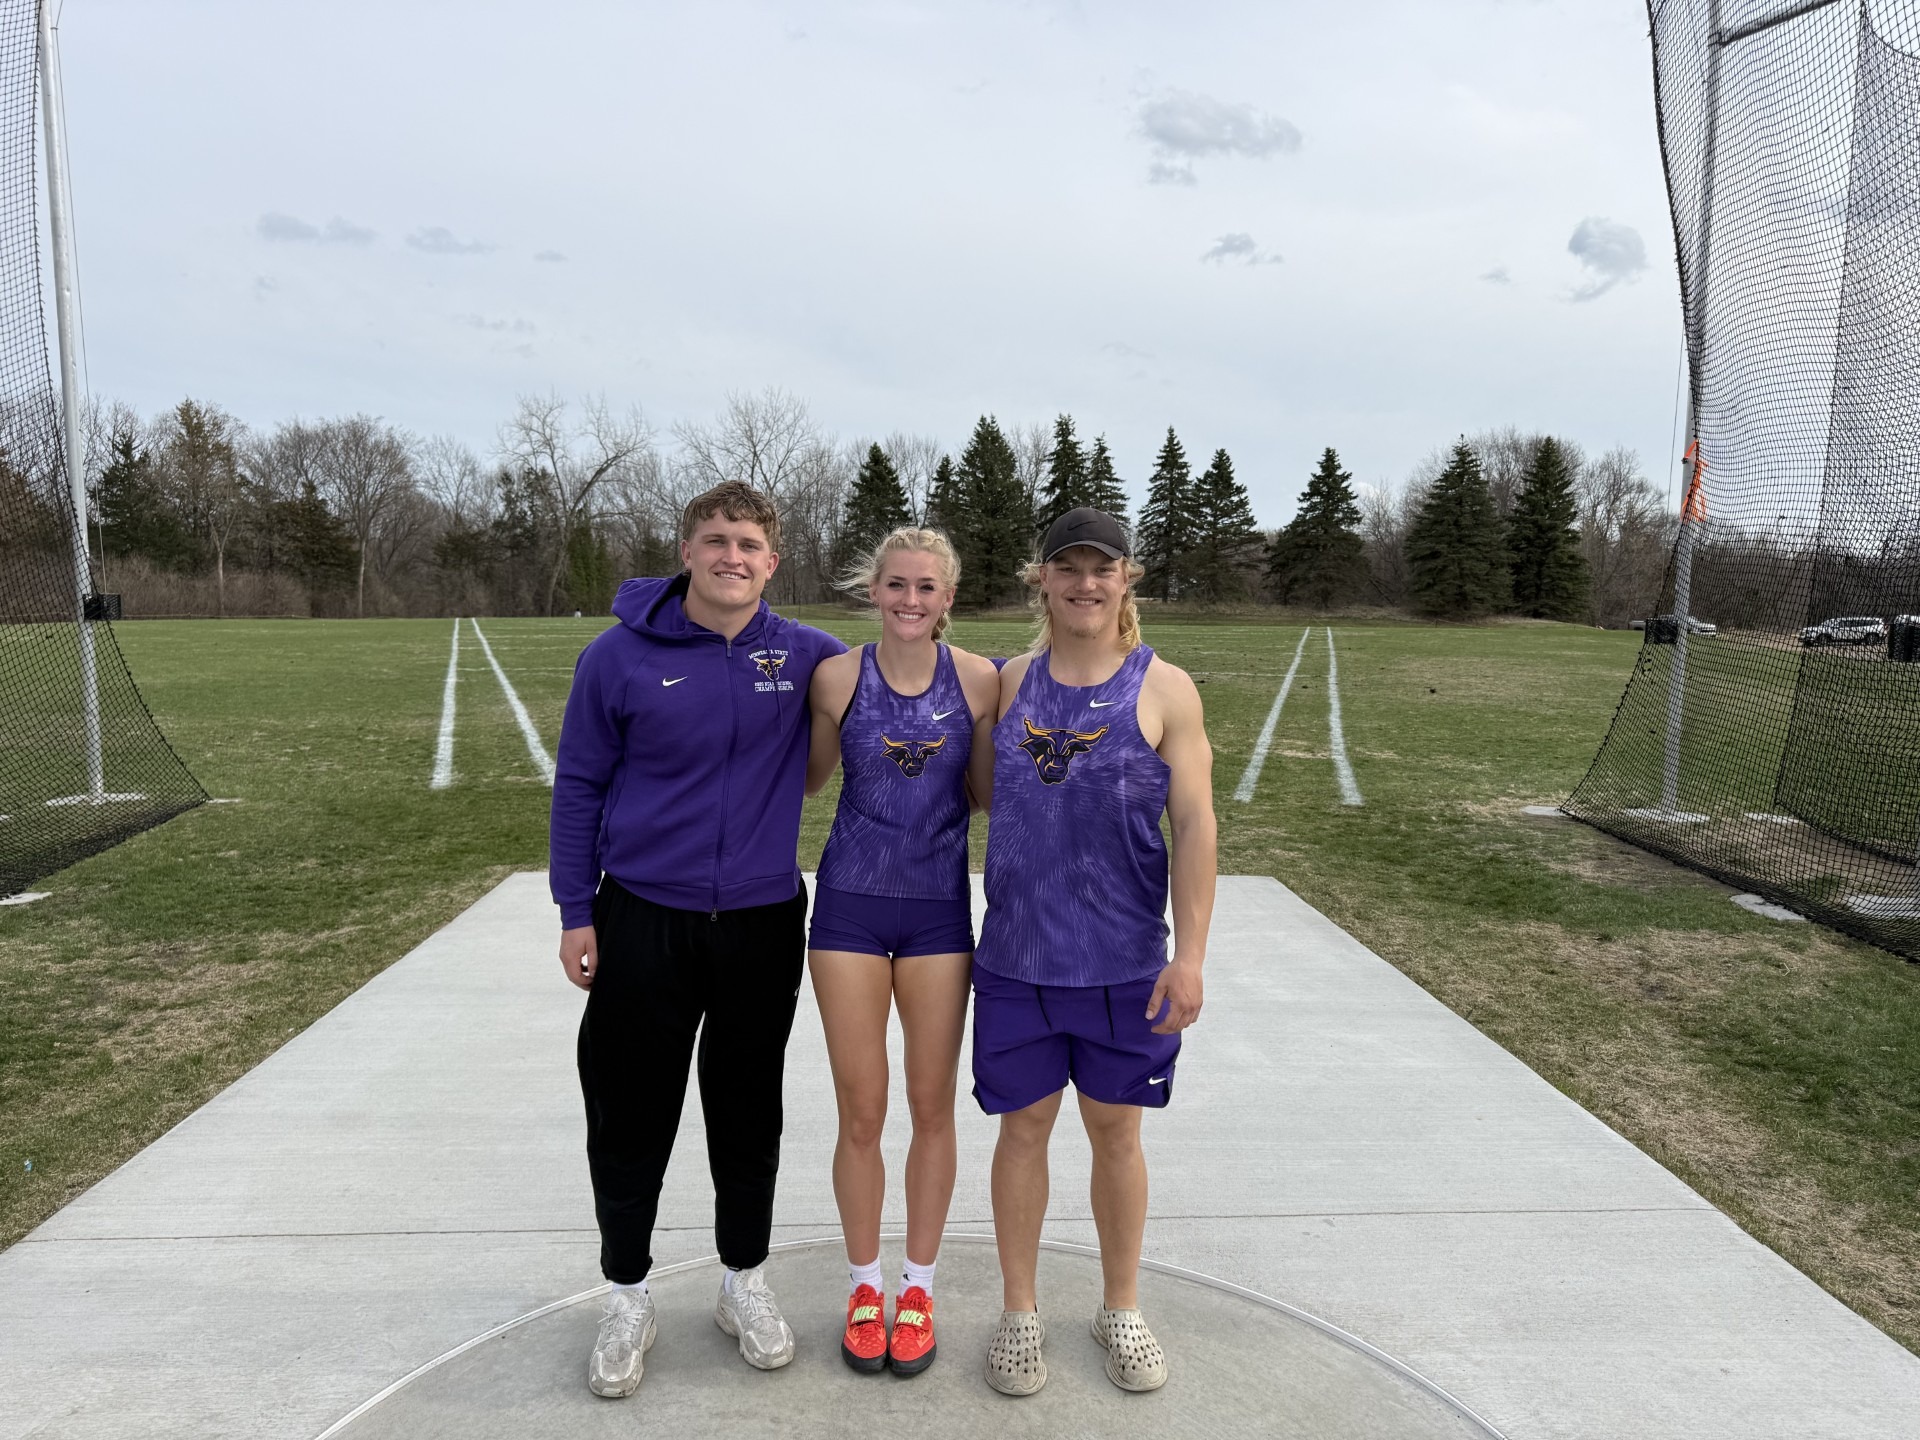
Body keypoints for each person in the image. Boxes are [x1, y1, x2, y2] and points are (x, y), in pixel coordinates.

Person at [549, 480, 847, 1399]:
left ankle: (742, 1279)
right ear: (686, 551)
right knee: (630, 1108)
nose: (732, 557)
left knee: (748, 1108)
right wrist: (574, 910)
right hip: (644, 913)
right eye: (716, 540)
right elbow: (578, 785)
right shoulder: (618, 656)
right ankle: (627, 1293)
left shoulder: (807, 654)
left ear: (773, 561)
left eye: (749, 544)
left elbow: (918, 671)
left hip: (761, 918)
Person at [970, 507, 1216, 1398]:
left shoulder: (1166, 690)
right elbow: (981, 793)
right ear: (1041, 579)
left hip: (1124, 962)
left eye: (1101, 568)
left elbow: (1195, 825)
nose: (1085, 583)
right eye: (1067, 568)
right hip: (1017, 960)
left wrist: (1190, 956)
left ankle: (1121, 1307)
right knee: (1023, 1130)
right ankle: (1020, 1312)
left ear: (1126, 579)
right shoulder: (1009, 683)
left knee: (1117, 1134)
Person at [803, 527, 999, 1376]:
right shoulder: (837, 678)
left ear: (947, 596)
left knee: (930, 1107)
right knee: (861, 1111)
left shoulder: (981, 680)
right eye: (896, 585)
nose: (909, 600)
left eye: (926, 587)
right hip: (849, 910)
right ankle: (863, 1287)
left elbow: (986, 794)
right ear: (873, 590)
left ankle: (917, 1289)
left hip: (936, 916)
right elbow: (807, 779)